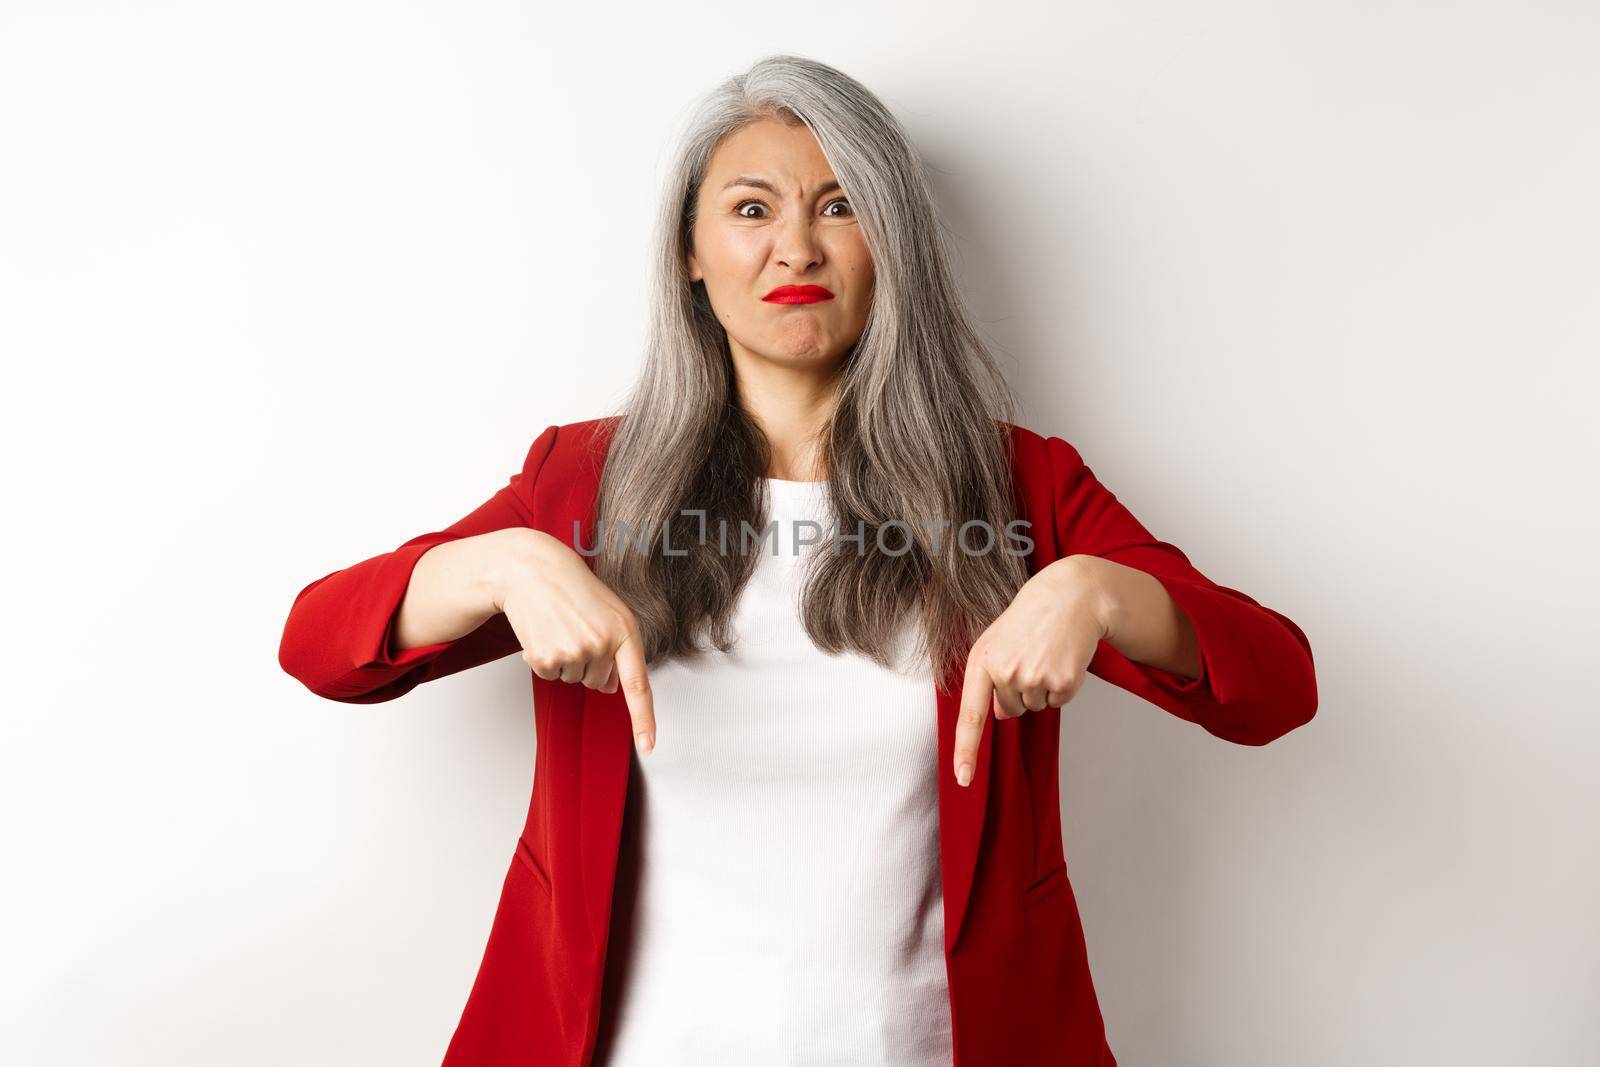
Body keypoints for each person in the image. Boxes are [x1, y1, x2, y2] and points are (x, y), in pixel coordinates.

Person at [277, 53, 1318, 1067]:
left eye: (837, 205)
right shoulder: (583, 481)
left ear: (892, 243)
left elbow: (1275, 685)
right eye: (750, 208)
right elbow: (320, 647)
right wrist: (495, 565)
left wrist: (1098, 589)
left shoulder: (1019, 487)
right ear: (689, 250)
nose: (796, 249)